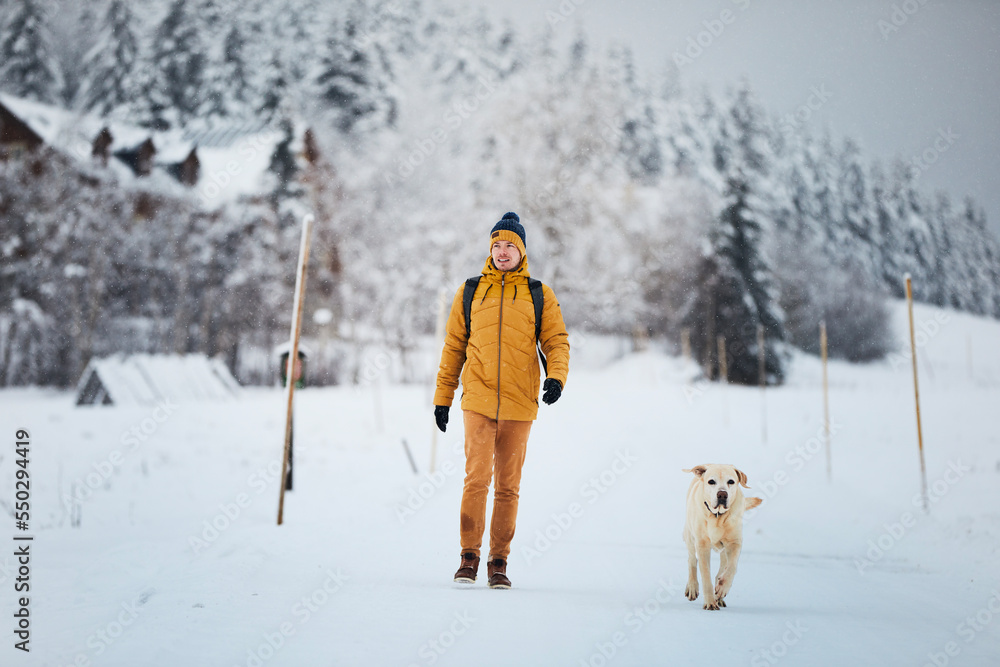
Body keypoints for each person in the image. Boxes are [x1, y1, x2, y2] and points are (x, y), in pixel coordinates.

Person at [433, 212, 570, 589]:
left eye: (510, 245)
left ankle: (499, 561)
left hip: (519, 402)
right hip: (476, 398)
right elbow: (454, 347)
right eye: (497, 244)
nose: (502, 251)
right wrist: (443, 397)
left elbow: (556, 342)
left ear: (522, 251)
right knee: (476, 479)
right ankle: (468, 556)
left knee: (508, 486)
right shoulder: (471, 291)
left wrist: (556, 377)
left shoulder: (538, 294)